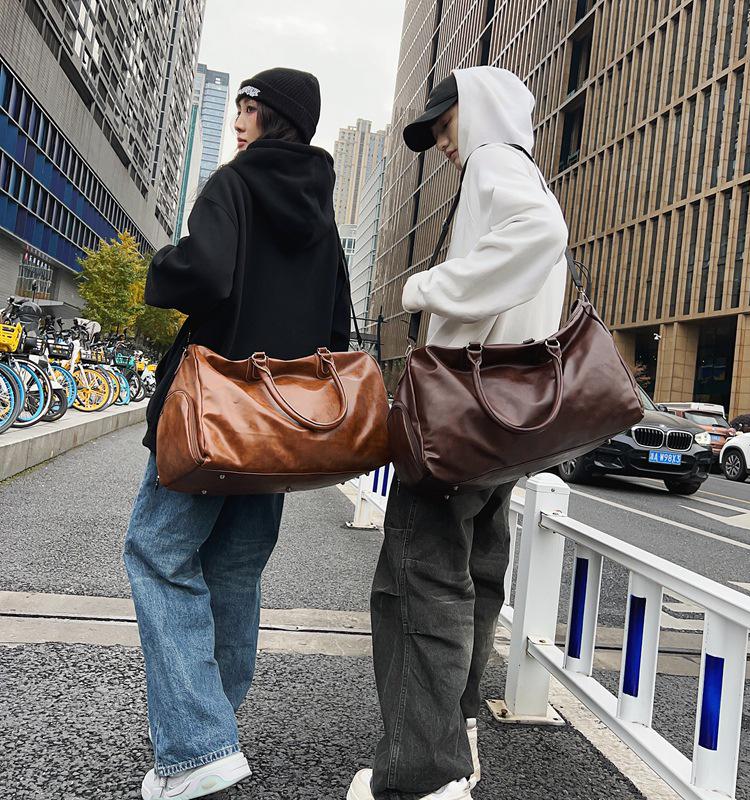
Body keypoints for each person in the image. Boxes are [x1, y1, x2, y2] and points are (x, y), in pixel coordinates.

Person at [124, 67, 351, 800]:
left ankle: (198, 747)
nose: (238, 122)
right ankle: (210, 738)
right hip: (281, 431)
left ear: (276, 117)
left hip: (214, 416)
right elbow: (338, 330)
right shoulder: (323, 216)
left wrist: (164, 265)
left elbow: (207, 272)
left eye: (250, 109)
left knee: (156, 552)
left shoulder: (234, 185)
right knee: (233, 571)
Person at [349, 66, 570, 800]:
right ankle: (455, 731)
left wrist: (427, 287)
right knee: (473, 579)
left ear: (476, 113)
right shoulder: (527, 173)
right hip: (507, 423)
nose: (443, 143)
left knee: (418, 583)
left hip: (460, 419)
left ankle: (422, 775)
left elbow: (541, 235)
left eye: (446, 125)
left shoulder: (494, 165)